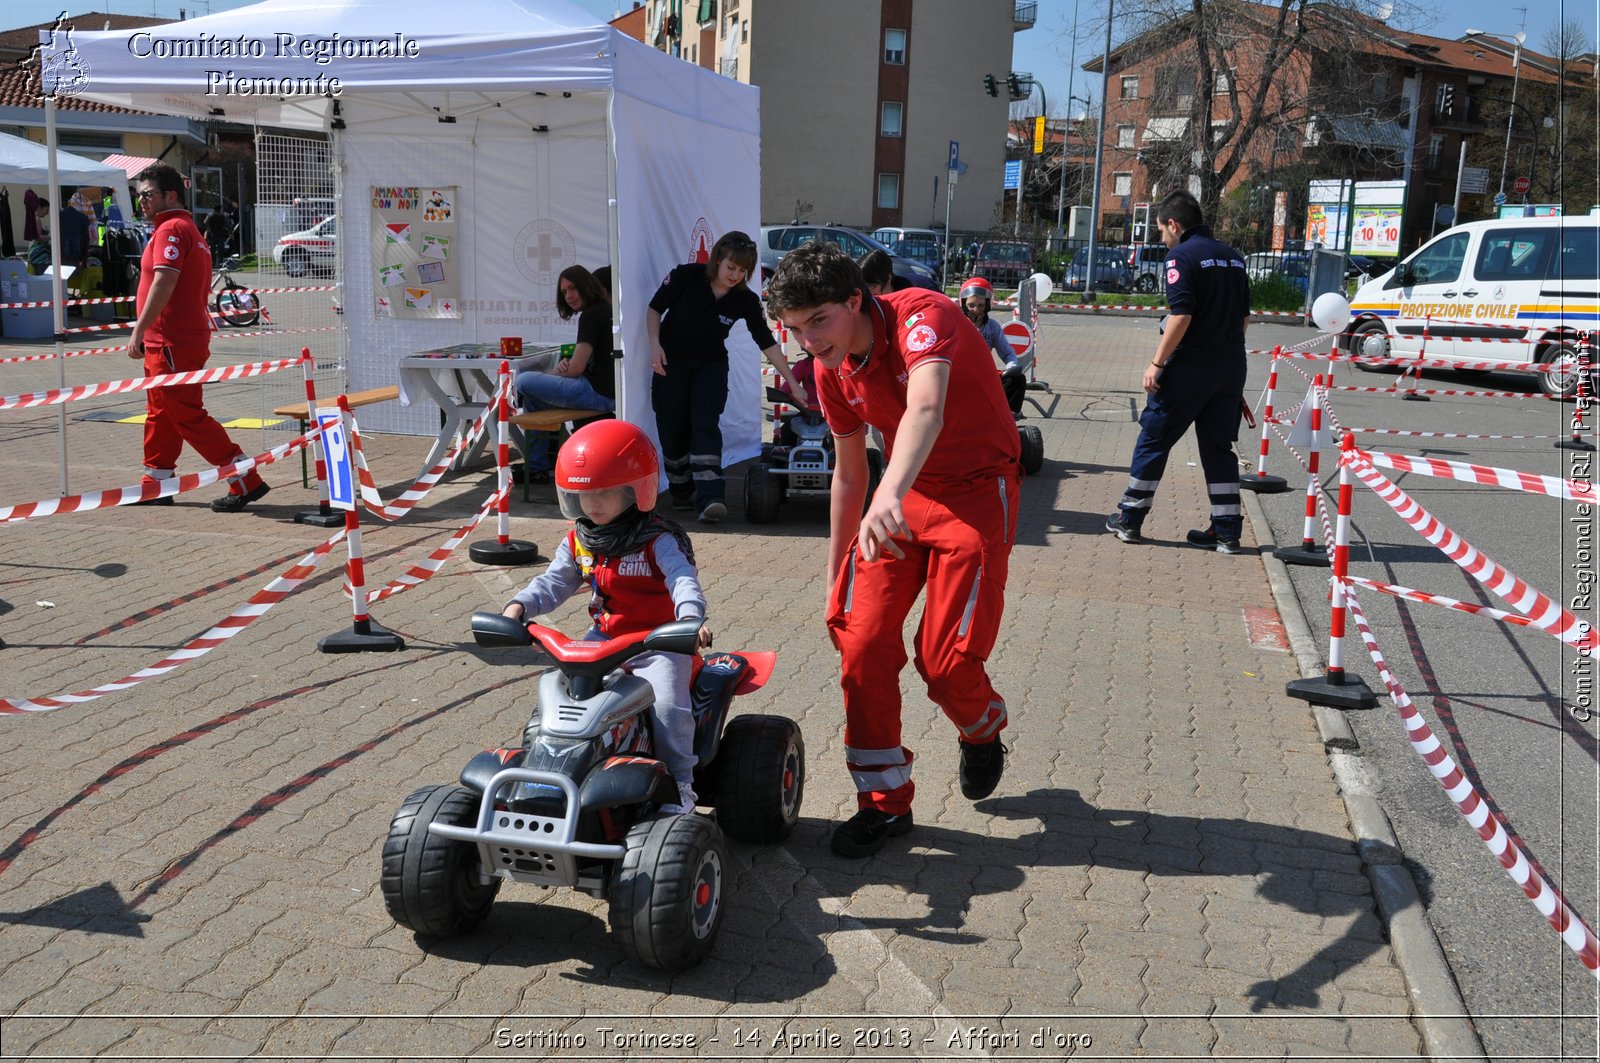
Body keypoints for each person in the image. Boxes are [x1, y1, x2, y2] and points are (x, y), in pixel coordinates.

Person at [766, 240, 1021, 858]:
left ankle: (981, 730)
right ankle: (883, 805)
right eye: (795, 329)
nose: (809, 342)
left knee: (947, 662)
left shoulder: (922, 316)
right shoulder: (829, 371)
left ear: (856, 299)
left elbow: (926, 408)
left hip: (975, 494)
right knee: (860, 642)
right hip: (902, 498)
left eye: (819, 321)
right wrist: (835, 573)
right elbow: (850, 474)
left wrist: (891, 493)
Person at [500, 420, 711, 814]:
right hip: (604, 642)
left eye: (604, 494)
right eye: (583, 495)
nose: (591, 505)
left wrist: (691, 619)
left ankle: (681, 784)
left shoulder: (657, 540)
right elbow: (555, 582)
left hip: (659, 644)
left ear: (635, 492)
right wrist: (520, 606)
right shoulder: (580, 539)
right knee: (559, 696)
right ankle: (548, 778)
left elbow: (683, 580)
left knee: (667, 707)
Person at [1105, 189, 1250, 553]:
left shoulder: (1181, 256)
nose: (1162, 239)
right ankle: (1228, 531)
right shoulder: (1233, 258)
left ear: (1174, 224)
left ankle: (1129, 518)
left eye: (1161, 231)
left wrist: (1157, 363)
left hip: (1189, 371)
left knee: (1154, 439)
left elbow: (1181, 315)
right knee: (1219, 449)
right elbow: (1244, 318)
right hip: (1230, 368)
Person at [125, 163, 269, 512]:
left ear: (169, 195)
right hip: (171, 340)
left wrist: (139, 329)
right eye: (139, 195)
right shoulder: (181, 228)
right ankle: (156, 483)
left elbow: (164, 281)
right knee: (161, 411)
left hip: (171, 340)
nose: (141, 201)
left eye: (147, 195)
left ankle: (244, 479)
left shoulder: (173, 229)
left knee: (186, 414)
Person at [647, 230, 809, 523]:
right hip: (672, 361)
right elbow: (654, 308)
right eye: (731, 268)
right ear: (717, 260)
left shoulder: (744, 300)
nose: (735, 275)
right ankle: (681, 489)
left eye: (743, 271)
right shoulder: (686, 276)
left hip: (711, 364)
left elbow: (766, 342)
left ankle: (711, 498)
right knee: (672, 427)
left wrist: (794, 383)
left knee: (705, 424)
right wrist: (654, 345)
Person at [513, 265, 615, 482]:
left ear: (587, 286)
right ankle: (537, 468)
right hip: (605, 391)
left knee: (524, 379)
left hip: (597, 393)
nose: (568, 296)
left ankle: (538, 466)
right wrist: (565, 370)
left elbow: (576, 368)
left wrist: (557, 373)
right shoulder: (604, 310)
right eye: (564, 292)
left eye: (573, 288)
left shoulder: (592, 314)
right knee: (533, 395)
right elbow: (581, 364)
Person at [959, 276, 1027, 416]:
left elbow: (1007, 353)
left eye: (980, 305)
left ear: (988, 305)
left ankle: (1006, 417)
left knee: (1017, 378)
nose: (976, 309)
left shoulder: (993, 327)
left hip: (984, 374)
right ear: (964, 304)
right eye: (971, 305)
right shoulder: (955, 324)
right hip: (959, 374)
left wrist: (1012, 366)